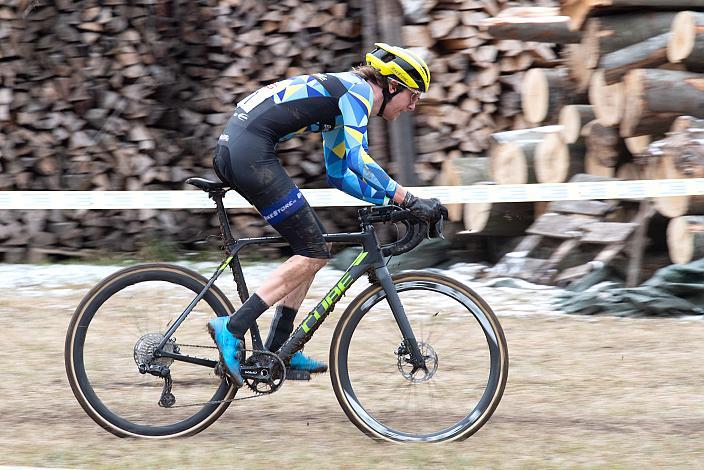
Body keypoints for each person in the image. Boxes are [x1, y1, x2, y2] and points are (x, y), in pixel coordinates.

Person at [207, 43, 448, 387]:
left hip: (243, 149)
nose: (413, 105)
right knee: (313, 251)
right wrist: (408, 199)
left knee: (313, 247)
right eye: (412, 96)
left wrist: (391, 202)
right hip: (248, 154)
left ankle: (279, 347)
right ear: (392, 85)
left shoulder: (344, 98)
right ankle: (230, 328)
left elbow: (338, 173)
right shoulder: (358, 93)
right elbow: (357, 158)